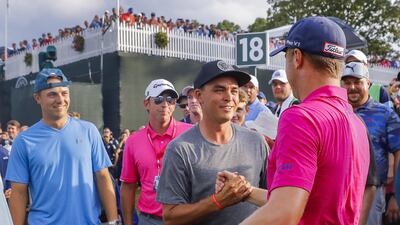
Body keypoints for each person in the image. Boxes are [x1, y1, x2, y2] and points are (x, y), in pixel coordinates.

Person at [218, 16, 370, 225]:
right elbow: (305, 201)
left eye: (286, 58)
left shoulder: (301, 117)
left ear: (297, 57)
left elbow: (284, 213)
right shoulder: (357, 123)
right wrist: (247, 191)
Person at [156, 60, 267, 225]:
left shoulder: (256, 141)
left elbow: (273, 197)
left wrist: (244, 192)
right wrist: (218, 201)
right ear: (199, 96)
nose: (229, 97)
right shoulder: (180, 149)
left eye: (234, 90)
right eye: (219, 90)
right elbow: (171, 217)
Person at [5, 68, 119, 225]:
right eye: (52, 94)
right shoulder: (24, 141)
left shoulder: (89, 131)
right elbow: (18, 193)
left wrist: (113, 221)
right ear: (37, 98)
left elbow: (103, 177)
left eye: (64, 93)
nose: (60, 99)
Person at [120, 79, 192, 225]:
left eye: (170, 99)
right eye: (158, 99)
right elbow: (128, 186)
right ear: (147, 104)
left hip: (186, 218)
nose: (165, 104)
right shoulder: (133, 141)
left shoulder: (190, 133)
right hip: (149, 220)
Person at [341, 62, 400, 225]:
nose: (352, 87)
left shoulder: (385, 114)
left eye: (358, 82)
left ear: (368, 83)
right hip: (338, 192)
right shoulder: (337, 113)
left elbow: (398, 152)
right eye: (347, 82)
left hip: (371, 193)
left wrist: (396, 195)